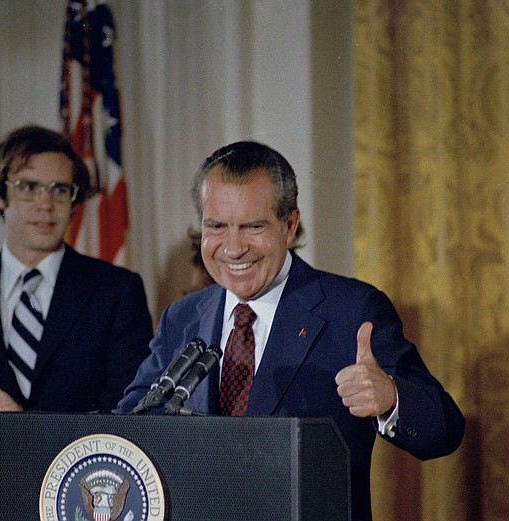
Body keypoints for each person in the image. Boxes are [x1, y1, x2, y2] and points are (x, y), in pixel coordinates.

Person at [115, 141, 465, 521]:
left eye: (252, 226)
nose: (233, 248)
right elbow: (128, 426)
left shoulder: (350, 311)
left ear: (289, 225)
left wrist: (391, 398)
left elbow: (444, 430)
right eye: (216, 226)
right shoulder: (181, 318)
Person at [0, 125, 153, 434]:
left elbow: (128, 412)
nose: (46, 204)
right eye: (28, 187)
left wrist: (30, 439)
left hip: (82, 480)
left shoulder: (118, 292)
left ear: (74, 200)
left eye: (59, 189)